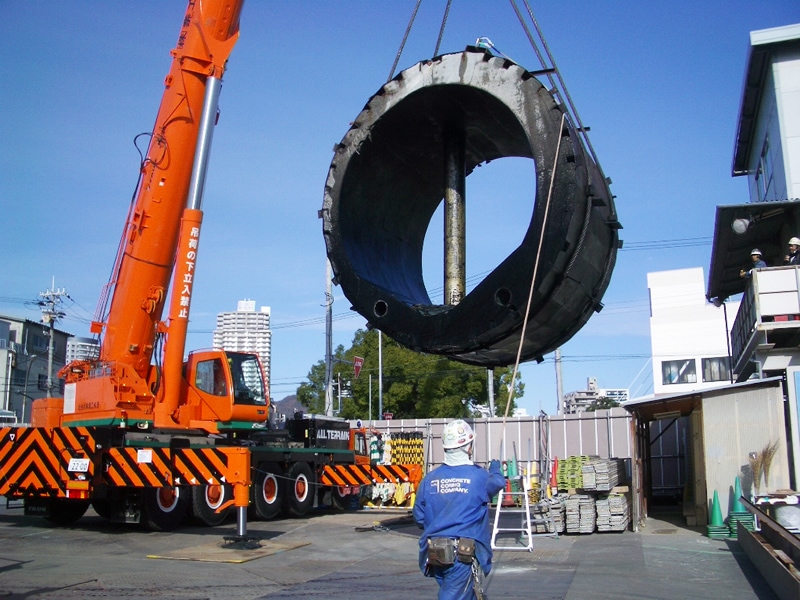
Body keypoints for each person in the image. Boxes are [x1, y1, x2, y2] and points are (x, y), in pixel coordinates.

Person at [413, 419, 505, 599]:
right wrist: (495, 469)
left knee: (463, 593)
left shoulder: (430, 479)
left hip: (436, 552)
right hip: (461, 555)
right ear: (468, 447)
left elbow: (419, 517)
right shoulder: (479, 477)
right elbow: (497, 482)